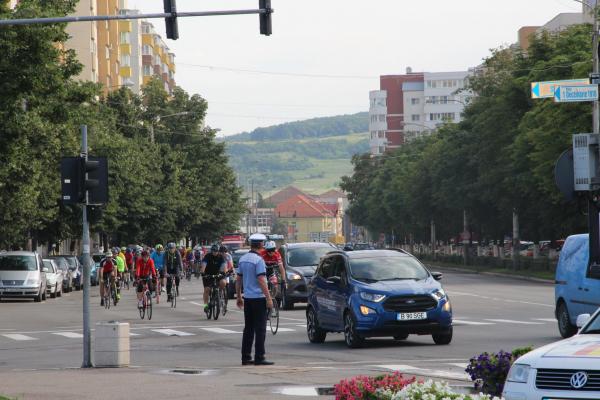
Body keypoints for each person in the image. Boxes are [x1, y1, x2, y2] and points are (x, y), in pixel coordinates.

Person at [237, 233, 274, 366]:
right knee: (260, 329)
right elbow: (261, 280)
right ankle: (260, 357)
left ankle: (246, 357)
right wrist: (269, 298)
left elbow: (238, 279)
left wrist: (239, 296)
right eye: (263, 244)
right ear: (260, 245)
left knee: (248, 328)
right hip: (258, 298)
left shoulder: (243, 259)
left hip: (248, 298)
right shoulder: (259, 261)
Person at [201, 244, 227, 314]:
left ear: (218, 251)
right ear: (211, 251)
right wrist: (203, 273)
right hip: (208, 275)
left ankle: (220, 294)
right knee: (207, 289)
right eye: (213, 251)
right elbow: (204, 264)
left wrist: (224, 272)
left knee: (223, 282)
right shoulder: (207, 256)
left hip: (218, 274)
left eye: (216, 251)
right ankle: (206, 305)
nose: (215, 252)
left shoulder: (221, 257)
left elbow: (224, 266)